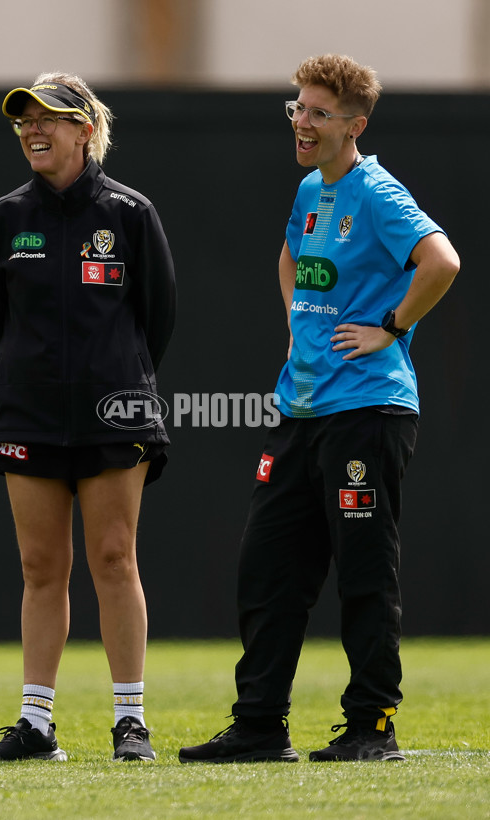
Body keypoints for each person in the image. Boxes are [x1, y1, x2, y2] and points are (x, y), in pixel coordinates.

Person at [179, 54, 459, 764]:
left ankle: (373, 726)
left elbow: (442, 262)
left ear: (354, 126)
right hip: (301, 412)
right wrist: (303, 333)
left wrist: (390, 326)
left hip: (367, 409)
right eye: (297, 108)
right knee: (267, 570)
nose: (302, 122)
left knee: (364, 571)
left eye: (318, 113)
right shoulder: (311, 189)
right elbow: (288, 259)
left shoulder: (376, 192)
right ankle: (260, 726)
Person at [0, 72, 175, 763]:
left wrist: (113, 381)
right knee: (39, 567)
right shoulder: (3, 218)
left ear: (86, 129)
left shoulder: (129, 213)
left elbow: (158, 317)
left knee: (115, 559)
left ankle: (130, 723)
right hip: (26, 413)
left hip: (114, 413)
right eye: (23, 119)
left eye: (50, 118)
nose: (34, 129)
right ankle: (37, 726)